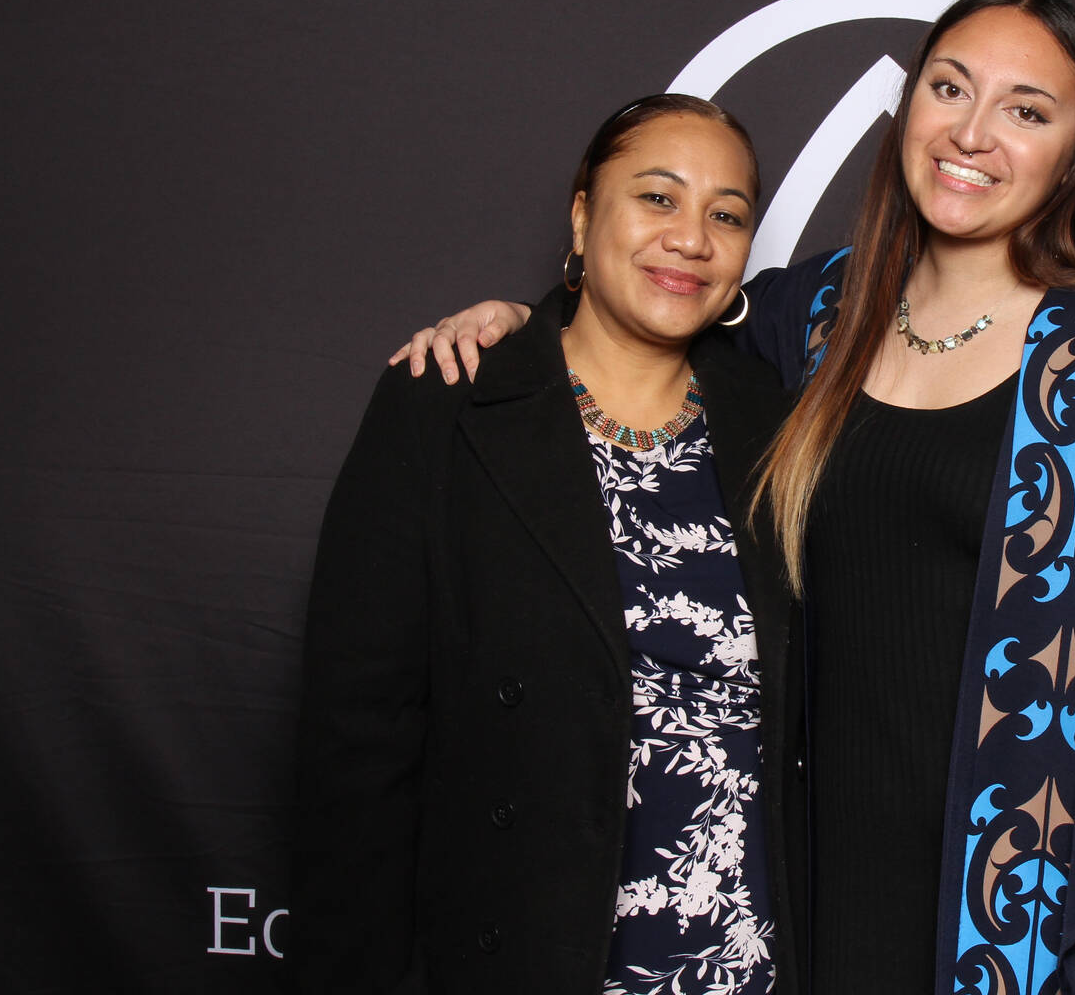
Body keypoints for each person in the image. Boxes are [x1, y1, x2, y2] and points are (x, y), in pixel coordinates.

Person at [397, 0, 1075, 994]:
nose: (971, 133)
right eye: (950, 88)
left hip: (1035, 922)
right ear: (909, 107)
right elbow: (648, 311)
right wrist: (526, 324)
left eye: (1027, 110)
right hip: (813, 902)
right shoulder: (814, 316)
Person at [291, 95, 803, 995]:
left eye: (726, 215)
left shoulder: (781, 424)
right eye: (657, 197)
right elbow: (357, 741)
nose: (691, 238)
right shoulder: (448, 402)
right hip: (526, 954)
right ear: (581, 217)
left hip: (742, 962)